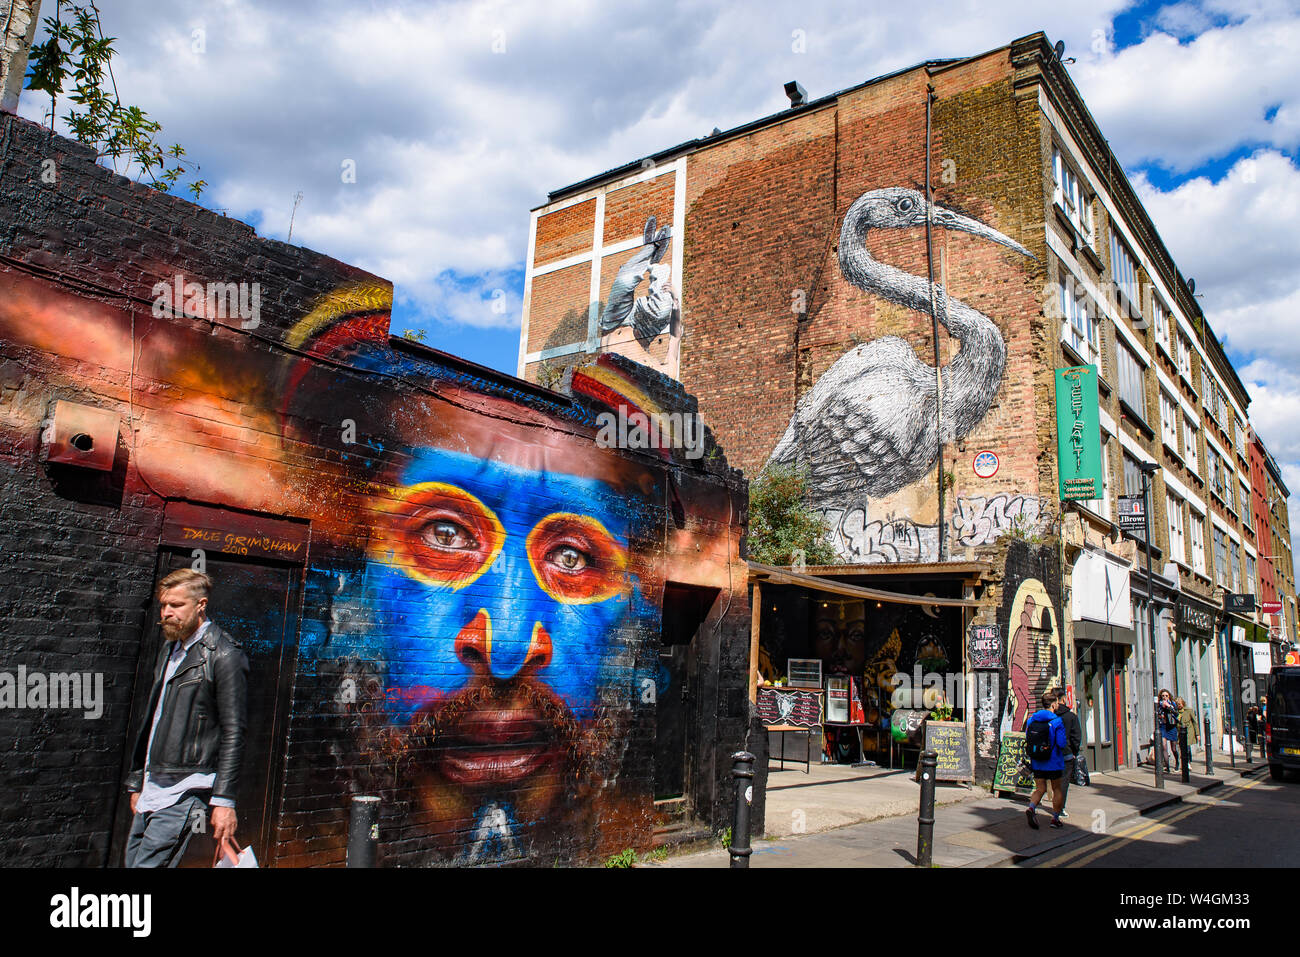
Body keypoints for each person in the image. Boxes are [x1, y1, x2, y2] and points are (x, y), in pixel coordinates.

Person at [124, 569, 249, 867]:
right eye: (164, 605)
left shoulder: (223, 654)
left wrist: (224, 800)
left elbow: (235, 730)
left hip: (186, 789)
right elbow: (154, 718)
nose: (167, 613)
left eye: (177, 605)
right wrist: (138, 781)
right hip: (153, 785)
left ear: (200, 605)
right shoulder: (171, 649)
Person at [1024, 691, 1070, 830]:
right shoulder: (1056, 721)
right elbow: (1061, 743)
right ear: (1054, 704)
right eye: (1056, 703)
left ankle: (1031, 808)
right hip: (1053, 761)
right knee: (1057, 789)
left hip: (1037, 760)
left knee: (1040, 788)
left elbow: (1028, 737)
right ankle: (1055, 819)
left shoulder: (1032, 719)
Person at [1053, 692, 1082, 817]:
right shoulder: (1071, 717)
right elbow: (1076, 737)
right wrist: (1074, 752)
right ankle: (1059, 809)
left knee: (1052, 781)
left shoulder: (1051, 716)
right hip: (1066, 754)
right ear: (1063, 700)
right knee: (1063, 783)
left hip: (1051, 753)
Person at [1156, 689, 1179, 771]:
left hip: (1172, 727)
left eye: (1166, 696)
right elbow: (1156, 714)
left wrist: (1168, 706)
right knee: (1164, 747)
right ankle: (1167, 766)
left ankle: (1177, 762)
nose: (1164, 697)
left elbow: (1176, 713)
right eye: (1163, 696)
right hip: (1163, 727)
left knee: (1174, 748)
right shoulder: (1158, 705)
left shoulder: (1172, 704)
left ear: (1169, 696)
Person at [1176, 696, 1198, 766]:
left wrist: (1197, 734)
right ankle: (1185, 762)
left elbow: (1194, 722)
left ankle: (1188, 762)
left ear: (1183, 703)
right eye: (1177, 704)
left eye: (1180, 704)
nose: (1179, 706)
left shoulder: (1189, 710)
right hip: (1180, 732)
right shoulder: (1176, 712)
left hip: (1189, 731)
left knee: (1187, 746)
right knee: (1182, 747)